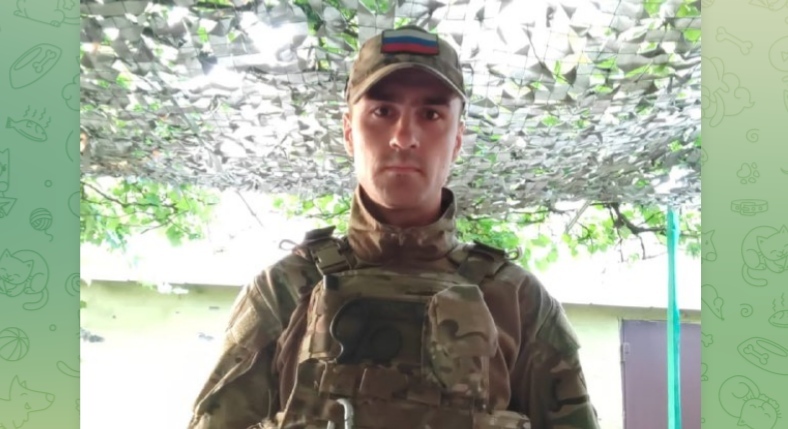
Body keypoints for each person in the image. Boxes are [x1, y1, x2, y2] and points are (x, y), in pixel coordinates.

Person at [187, 25, 600, 429]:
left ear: (457, 139)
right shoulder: (283, 291)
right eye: (382, 112)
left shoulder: (518, 302)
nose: (404, 137)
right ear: (349, 132)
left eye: (431, 114)